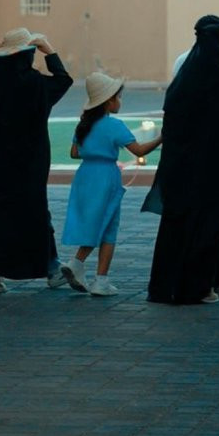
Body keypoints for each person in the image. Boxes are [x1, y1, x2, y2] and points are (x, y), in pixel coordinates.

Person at [143, 15, 219, 305]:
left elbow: (171, 129)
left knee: (177, 229)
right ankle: (199, 287)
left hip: (181, 171)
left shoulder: (181, 84)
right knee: (211, 228)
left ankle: (168, 286)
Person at [0, 27, 73, 293]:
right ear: (28, 54)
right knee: (35, 214)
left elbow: (2, 65)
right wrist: (49, 50)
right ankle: (52, 270)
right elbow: (63, 80)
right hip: (30, 161)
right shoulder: (34, 84)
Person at [61, 72, 162, 297]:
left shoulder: (84, 125)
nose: (120, 101)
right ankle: (99, 278)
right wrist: (161, 138)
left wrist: (94, 151)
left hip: (85, 176)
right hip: (106, 177)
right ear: (109, 101)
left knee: (94, 221)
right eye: (119, 97)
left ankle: (80, 265)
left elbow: (74, 153)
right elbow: (139, 150)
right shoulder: (114, 125)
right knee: (108, 226)